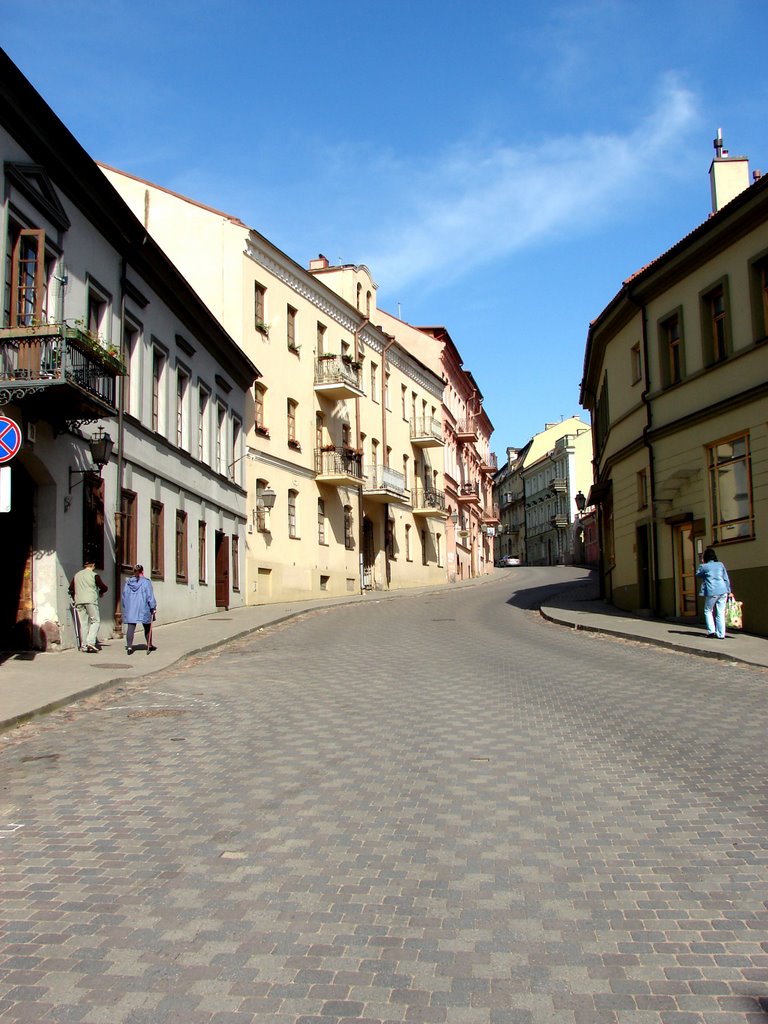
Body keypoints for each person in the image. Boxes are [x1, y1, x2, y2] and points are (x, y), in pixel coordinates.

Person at [69, 559, 108, 653]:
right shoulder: (94, 575)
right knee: (95, 621)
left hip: (79, 601)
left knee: (83, 623)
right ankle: (90, 642)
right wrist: (101, 592)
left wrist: (74, 598)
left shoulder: (77, 575)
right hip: (90, 600)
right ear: (93, 565)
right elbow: (103, 587)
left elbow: (71, 588)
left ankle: (84, 645)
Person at [696, 547, 732, 640]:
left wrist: (702, 563)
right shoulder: (720, 565)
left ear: (705, 557)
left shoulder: (704, 566)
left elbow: (698, 574)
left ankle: (711, 631)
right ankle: (721, 634)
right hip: (723, 590)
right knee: (720, 612)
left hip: (712, 591)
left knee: (708, 610)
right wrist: (729, 591)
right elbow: (726, 578)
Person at [121, 564, 157, 655]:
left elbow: (124, 596)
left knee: (131, 627)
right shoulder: (146, 582)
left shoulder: (128, 582)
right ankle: (149, 645)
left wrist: (126, 606)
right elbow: (150, 596)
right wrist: (153, 607)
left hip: (131, 608)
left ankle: (129, 647)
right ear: (142, 571)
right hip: (143, 607)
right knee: (147, 627)